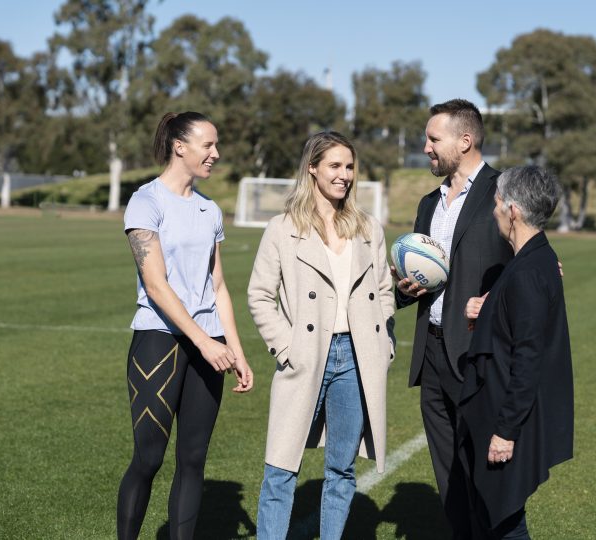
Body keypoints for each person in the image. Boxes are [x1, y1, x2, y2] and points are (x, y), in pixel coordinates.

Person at [248, 131, 395, 540]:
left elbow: (384, 291)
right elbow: (260, 294)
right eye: (335, 165)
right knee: (280, 467)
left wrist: (384, 343)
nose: (344, 175)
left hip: (356, 357)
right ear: (311, 167)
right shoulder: (281, 228)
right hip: (306, 355)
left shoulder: (368, 228)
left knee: (342, 468)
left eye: (349, 167)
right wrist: (286, 346)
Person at [117, 111, 254, 540]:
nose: (216, 154)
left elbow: (218, 285)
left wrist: (234, 348)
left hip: (209, 343)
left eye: (216, 146)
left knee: (193, 458)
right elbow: (156, 286)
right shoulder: (146, 201)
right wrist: (202, 341)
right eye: (208, 145)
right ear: (180, 146)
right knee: (149, 458)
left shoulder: (209, 209)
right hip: (159, 341)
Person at [394, 99, 513, 538]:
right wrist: (405, 290)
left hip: (480, 355)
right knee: (448, 473)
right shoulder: (429, 203)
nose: (425, 147)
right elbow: (422, 276)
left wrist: (494, 300)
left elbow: (534, 268)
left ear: (465, 141)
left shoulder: (505, 190)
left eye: (432, 138)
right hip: (433, 353)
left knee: (483, 470)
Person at [459, 165, 574, 539]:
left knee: (504, 522)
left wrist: (505, 431)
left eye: (495, 203)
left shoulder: (528, 270)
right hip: (499, 412)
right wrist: (485, 310)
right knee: (487, 517)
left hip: (506, 418)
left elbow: (529, 357)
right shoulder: (532, 260)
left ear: (512, 210)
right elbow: (516, 324)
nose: (493, 211)